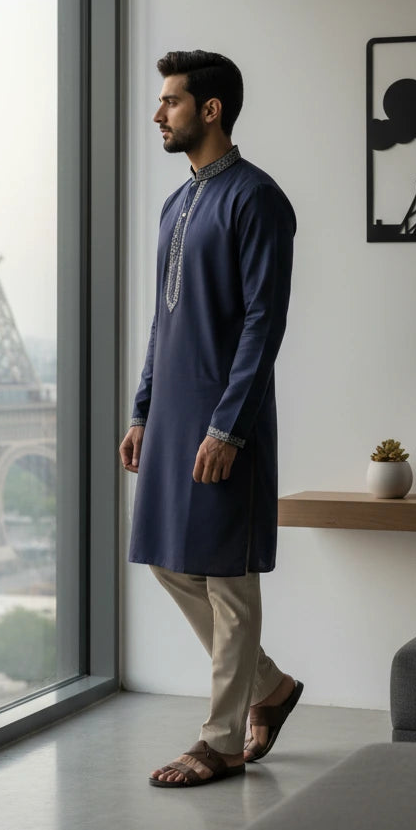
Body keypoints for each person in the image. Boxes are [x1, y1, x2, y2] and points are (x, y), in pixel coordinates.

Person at [119, 49, 301, 789]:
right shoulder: (177, 202)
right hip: (171, 415)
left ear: (211, 109)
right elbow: (164, 323)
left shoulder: (258, 200)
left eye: (170, 101)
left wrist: (229, 427)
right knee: (169, 559)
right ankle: (269, 686)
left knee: (228, 577)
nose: (158, 114)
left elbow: (265, 322)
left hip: (228, 419)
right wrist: (141, 407)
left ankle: (221, 740)